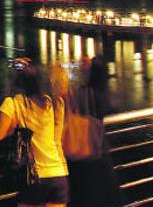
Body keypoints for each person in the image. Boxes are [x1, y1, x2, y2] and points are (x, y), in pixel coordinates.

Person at [0, 64, 69, 207]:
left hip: (34, 177)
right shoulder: (52, 103)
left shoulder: (14, 103)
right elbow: (57, 138)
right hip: (58, 174)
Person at [64, 56, 120, 207]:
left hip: (81, 157)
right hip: (99, 155)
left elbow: (63, 97)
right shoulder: (102, 96)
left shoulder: (82, 94)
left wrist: (73, 70)